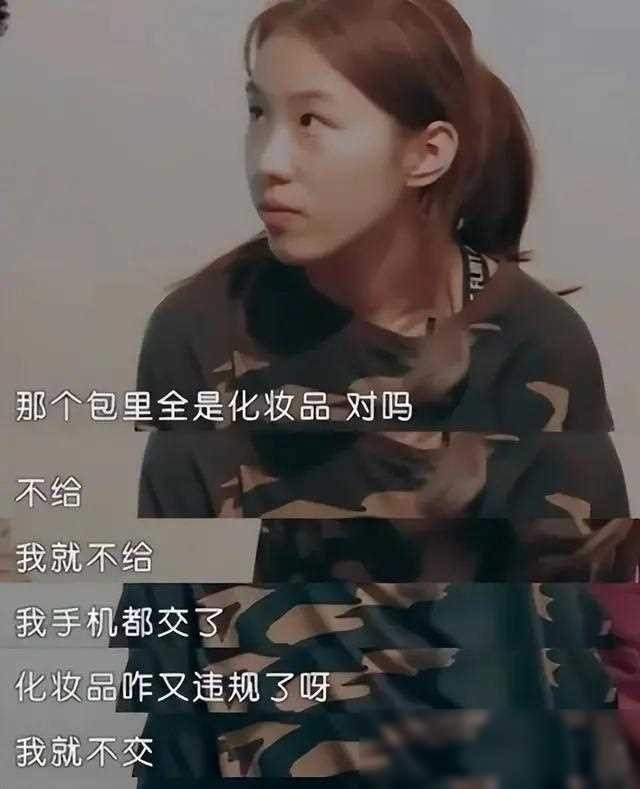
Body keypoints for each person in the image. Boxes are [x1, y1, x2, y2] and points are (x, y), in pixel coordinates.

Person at [113, 0, 639, 784]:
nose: (269, 160)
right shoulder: (199, 334)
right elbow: (172, 647)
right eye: (258, 114)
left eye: (312, 122)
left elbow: (597, 650)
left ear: (426, 153)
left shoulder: (532, 347)